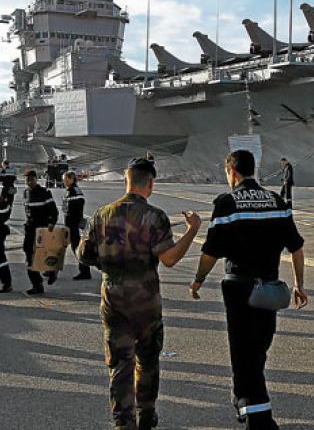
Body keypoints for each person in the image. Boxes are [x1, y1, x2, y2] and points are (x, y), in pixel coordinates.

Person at [78, 158, 201, 430]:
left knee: (120, 363)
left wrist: (108, 265)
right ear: (151, 184)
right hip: (146, 298)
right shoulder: (155, 216)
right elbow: (168, 259)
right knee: (147, 359)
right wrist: (192, 231)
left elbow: (84, 255)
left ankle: (123, 422)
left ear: (127, 179)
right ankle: (146, 413)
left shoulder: (101, 214)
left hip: (113, 296)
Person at [190, 150, 308, 430]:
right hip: (269, 288)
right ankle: (244, 402)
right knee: (258, 349)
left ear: (231, 172)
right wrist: (299, 285)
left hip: (240, 286)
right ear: (253, 170)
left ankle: (259, 418)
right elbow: (297, 247)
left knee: (243, 353)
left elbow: (210, 252)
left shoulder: (226, 203)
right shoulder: (277, 201)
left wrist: (198, 280)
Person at [22, 170, 59, 294]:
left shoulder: (44, 193)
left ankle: (52, 270)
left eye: (31, 179)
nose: (29, 182)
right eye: (27, 180)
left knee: (43, 253)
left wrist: (51, 223)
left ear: (36, 179)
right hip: (30, 228)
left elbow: (54, 211)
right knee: (28, 252)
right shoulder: (25, 193)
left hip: (42, 228)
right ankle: (37, 284)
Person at [62, 171, 90, 280]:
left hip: (72, 223)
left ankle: (85, 271)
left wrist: (76, 220)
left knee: (76, 247)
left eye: (65, 179)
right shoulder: (69, 190)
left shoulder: (75, 190)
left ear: (71, 179)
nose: (64, 181)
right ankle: (51, 271)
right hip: (69, 223)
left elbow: (79, 205)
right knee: (67, 246)